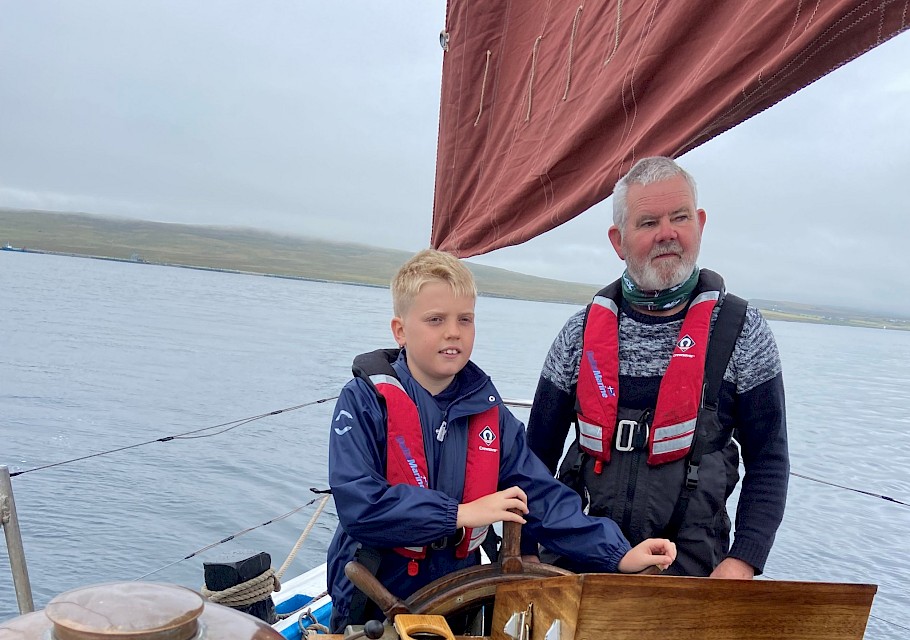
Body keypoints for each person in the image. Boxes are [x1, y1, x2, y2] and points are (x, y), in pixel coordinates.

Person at [326, 248, 677, 633]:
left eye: (465, 319)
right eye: (435, 319)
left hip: (459, 596)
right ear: (400, 331)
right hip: (373, 601)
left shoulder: (490, 415)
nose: (453, 331)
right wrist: (460, 514)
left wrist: (619, 554)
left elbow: (542, 499)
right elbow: (361, 505)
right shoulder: (363, 402)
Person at [524, 156, 788, 579]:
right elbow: (534, 454)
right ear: (618, 240)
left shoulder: (743, 332)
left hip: (693, 579)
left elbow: (769, 458)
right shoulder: (579, 334)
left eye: (679, 217)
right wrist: (526, 551)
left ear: (699, 223)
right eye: (648, 223)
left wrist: (744, 561)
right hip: (578, 570)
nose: (668, 234)